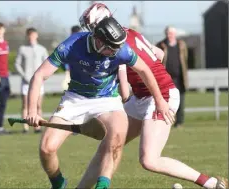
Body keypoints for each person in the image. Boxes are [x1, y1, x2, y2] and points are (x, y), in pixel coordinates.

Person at [73, 3, 228, 189]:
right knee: (107, 146)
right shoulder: (128, 32)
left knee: (149, 159)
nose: (91, 34)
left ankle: (212, 184)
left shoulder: (116, 45)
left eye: (92, 28)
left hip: (161, 96)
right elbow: (159, 53)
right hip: (142, 97)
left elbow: (123, 93)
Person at [25, 16, 174, 189]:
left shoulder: (121, 49)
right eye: (112, 48)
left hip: (107, 100)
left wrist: (160, 100)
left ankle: (102, 185)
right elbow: (39, 75)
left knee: (118, 135)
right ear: (98, 41)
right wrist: (32, 111)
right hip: (75, 99)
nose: (117, 51)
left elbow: (144, 70)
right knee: (46, 148)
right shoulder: (71, 45)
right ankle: (58, 182)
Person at [15, 27, 48, 133]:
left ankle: (37, 126)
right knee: (26, 105)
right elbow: (17, 64)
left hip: (39, 82)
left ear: (36, 35)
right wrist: (24, 75)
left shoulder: (42, 49)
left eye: (33, 35)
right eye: (29, 35)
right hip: (26, 81)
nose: (31, 37)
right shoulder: (22, 49)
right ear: (27, 36)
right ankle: (25, 127)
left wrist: (43, 76)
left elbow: (47, 64)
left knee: (38, 105)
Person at [156, 26, 188, 128]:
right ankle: (167, 120)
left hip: (179, 78)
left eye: (172, 33)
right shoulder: (161, 45)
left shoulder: (181, 45)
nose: (170, 35)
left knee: (181, 101)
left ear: (175, 34)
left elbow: (185, 59)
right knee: (167, 100)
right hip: (166, 78)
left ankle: (179, 122)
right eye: (168, 33)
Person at [62, 25, 82, 91]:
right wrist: (67, 68)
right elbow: (63, 58)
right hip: (71, 71)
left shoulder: (83, 43)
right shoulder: (68, 44)